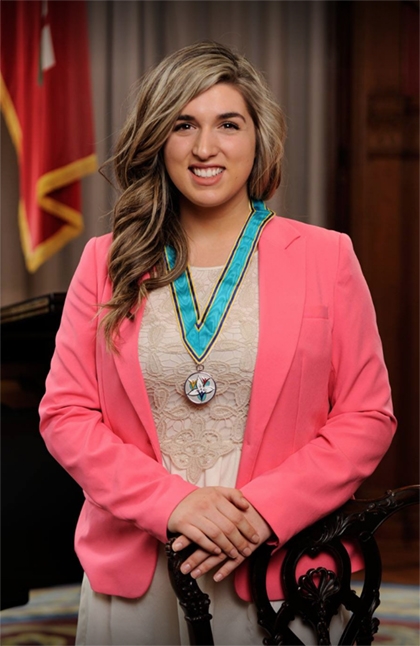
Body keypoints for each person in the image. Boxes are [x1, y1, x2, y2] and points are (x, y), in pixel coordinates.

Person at [39, 41, 396, 645]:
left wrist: (262, 513)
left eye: (228, 124)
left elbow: (367, 416)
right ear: (159, 139)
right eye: (184, 125)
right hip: (138, 563)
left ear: (258, 137)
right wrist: (172, 505)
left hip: (280, 563)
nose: (206, 148)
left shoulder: (326, 256)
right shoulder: (106, 261)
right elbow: (66, 413)